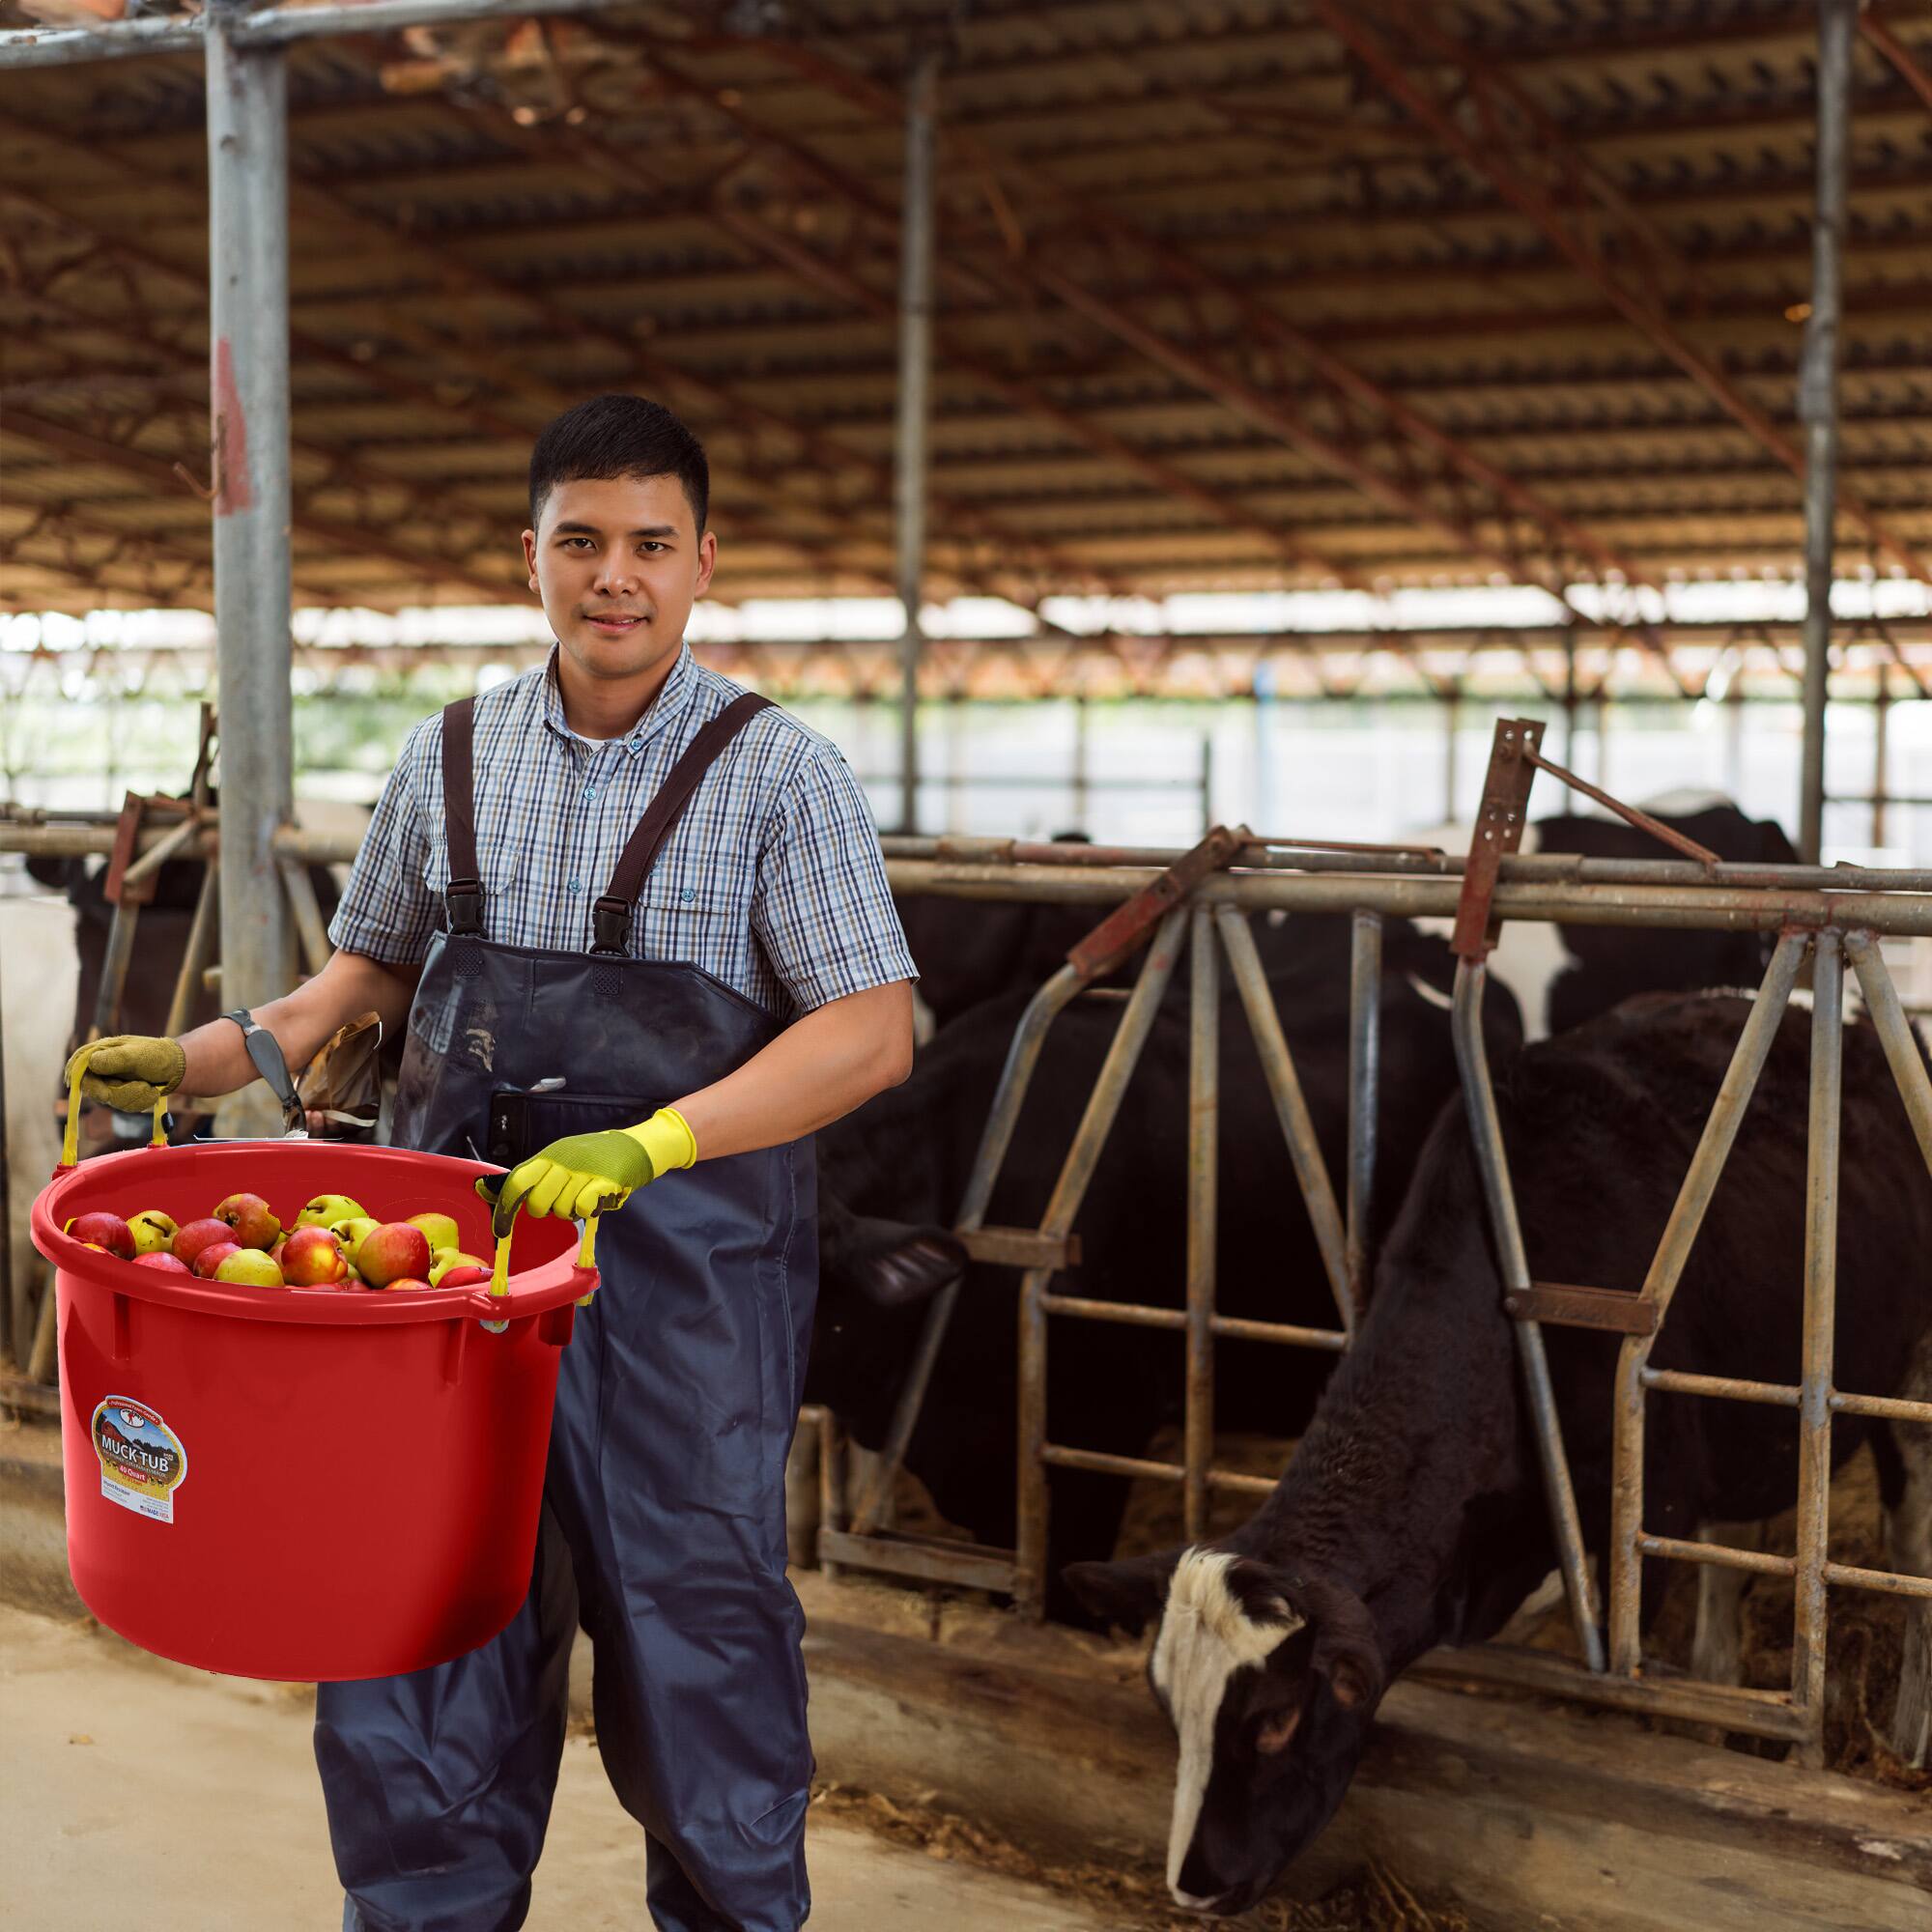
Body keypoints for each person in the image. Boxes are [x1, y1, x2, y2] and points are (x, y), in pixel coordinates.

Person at [66, 393, 919, 1932]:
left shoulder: (780, 776)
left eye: (650, 545)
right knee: (418, 1640)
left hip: (677, 1303)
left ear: (703, 562)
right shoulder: (447, 755)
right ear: (527, 556)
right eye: (580, 542)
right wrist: (200, 1058)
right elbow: (358, 985)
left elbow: (869, 1033)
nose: (615, 577)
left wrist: (655, 1138)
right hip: (445, 1297)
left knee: (695, 1648)